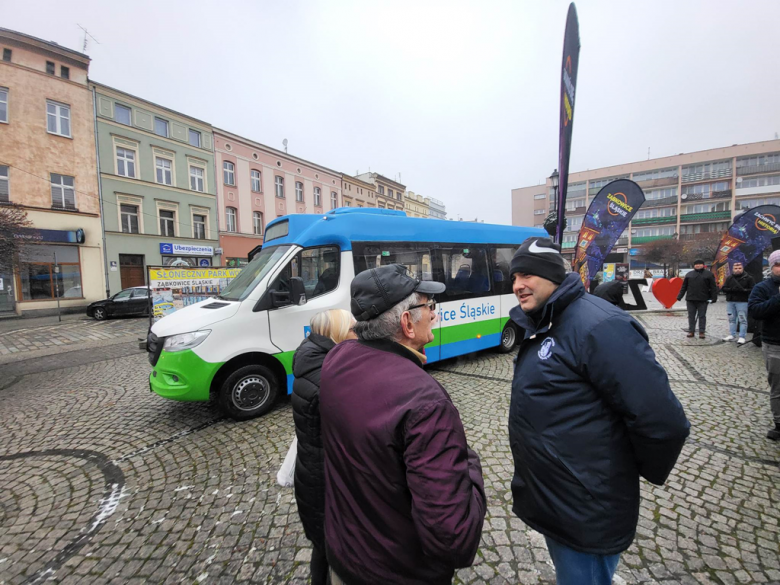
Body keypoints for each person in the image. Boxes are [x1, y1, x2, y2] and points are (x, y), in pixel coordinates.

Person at [507, 237, 690, 585]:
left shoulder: (599, 326)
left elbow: (663, 421)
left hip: (585, 505)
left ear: (553, 277)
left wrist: (615, 473)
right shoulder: (548, 321)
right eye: (514, 277)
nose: (518, 285)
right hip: (560, 499)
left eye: (527, 275)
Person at [319, 264, 486, 585]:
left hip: (344, 555)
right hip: (398, 573)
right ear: (408, 322)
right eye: (429, 306)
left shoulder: (336, 359)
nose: (435, 314)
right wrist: (468, 463)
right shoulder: (424, 401)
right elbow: (454, 539)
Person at [291, 309, 356, 585]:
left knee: (322, 547)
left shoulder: (312, 359)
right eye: (352, 330)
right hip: (326, 483)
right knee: (333, 549)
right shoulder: (328, 378)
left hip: (313, 475)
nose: (358, 334)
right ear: (337, 335)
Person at [748, 250, 780, 441]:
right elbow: (756, 311)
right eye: (778, 265)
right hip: (775, 344)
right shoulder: (762, 288)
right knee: (778, 387)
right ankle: (779, 423)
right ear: (772, 267)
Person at [677, 259, 718, 338]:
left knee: (702, 316)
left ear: (703, 265)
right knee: (691, 316)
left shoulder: (709, 274)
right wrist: (680, 296)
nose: (698, 265)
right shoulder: (689, 274)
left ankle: (701, 331)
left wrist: (714, 298)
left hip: (703, 299)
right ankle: (691, 331)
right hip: (690, 299)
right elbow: (684, 286)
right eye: (696, 264)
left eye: (700, 264)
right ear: (694, 266)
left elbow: (713, 287)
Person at [722, 261, 755, 344]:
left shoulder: (748, 278)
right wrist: (731, 290)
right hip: (731, 301)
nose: (737, 270)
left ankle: (742, 336)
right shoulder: (729, 278)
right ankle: (732, 334)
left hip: (742, 301)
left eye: (739, 268)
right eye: (736, 268)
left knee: (742, 319)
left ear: (742, 268)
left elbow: (753, 289)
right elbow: (724, 288)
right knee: (731, 319)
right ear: (733, 269)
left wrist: (743, 290)